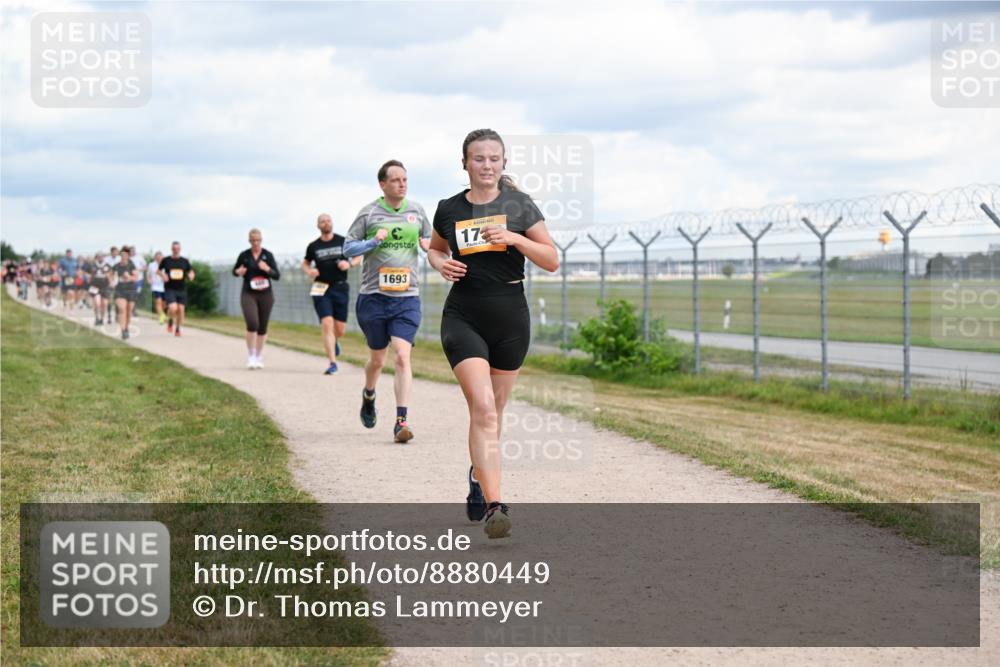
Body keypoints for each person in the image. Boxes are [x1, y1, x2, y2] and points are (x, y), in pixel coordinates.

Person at [427, 129, 558, 539]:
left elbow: (552, 259)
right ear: (464, 163)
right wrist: (439, 264)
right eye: (478, 158)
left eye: (494, 159)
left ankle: (478, 474)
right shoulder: (449, 208)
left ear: (503, 163)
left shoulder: (518, 205)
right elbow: (435, 247)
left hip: (510, 319)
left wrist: (515, 237)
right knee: (483, 409)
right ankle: (495, 507)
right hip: (463, 315)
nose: (486, 166)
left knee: (494, 416)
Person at [343, 160, 432, 443]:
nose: (402, 184)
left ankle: (400, 422)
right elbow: (348, 248)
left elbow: (430, 239)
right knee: (377, 360)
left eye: (405, 179)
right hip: (374, 298)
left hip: (407, 298)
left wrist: (428, 245)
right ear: (383, 184)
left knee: (403, 356)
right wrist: (372, 243)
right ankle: (369, 394)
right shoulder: (369, 212)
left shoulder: (416, 211)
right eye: (395, 180)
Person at [303, 214, 360, 374]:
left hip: (340, 287)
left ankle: (334, 341)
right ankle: (332, 363)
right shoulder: (313, 246)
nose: (325, 223)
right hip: (320, 287)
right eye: (322, 221)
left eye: (328, 220)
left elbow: (358, 258)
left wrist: (348, 264)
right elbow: (305, 263)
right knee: (327, 322)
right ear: (318, 225)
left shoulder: (343, 241)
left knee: (340, 329)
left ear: (332, 223)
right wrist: (310, 271)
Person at [233, 228, 281, 369]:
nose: (255, 243)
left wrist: (267, 269)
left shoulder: (267, 255)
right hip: (249, 293)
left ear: (261, 240)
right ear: (249, 241)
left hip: (265, 294)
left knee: (262, 326)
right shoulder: (244, 255)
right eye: (253, 240)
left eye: (258, 240)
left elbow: (277, 275)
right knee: (252, 323)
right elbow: (235, 271)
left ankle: (259, 356)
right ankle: (251, 355)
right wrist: (238, 271)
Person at [158, 241, 194, 337]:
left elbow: (191, 271)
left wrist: (191, 276)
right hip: (170, 288)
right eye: (174, 249)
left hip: (181, 289)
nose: (176, 250)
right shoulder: (166, 260)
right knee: (173, 308)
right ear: (171, 249)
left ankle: (177, 329)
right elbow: (158, 270)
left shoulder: (184, 261)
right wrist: (163, 275)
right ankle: (170, 320)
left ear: (180, 249)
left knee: (181, 310)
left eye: (177, 249)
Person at [111, 247, 139, 339]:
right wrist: (111, 282)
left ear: (128, 255)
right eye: (122, 254)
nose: (123, 256)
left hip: (131, 290)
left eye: (125, 254)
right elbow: (110, 275)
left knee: (129, 311)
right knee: (122, 309)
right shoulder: (116, 266)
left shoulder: (132, 265)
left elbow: (136, 278)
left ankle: (126, 328)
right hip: (120, 290)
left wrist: (129, 277)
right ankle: (123, 330)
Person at [89, 252, 112, 325]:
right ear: (96, 257)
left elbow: (110, 275)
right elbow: (90, 275)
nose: (100, 258)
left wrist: (110, 281)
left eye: (101, 257)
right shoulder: (93, 265)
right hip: (95, 286)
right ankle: (97, 318)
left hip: (105, 286)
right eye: (99, 257)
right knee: (97, 303)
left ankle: (102, 319)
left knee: (104, 304)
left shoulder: (107, 266)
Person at [148, 251, 166, 324]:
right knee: (158, 302)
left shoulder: (166, 265)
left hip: (165, 287)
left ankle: (162, 313)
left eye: (160, 257)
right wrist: (149, 280)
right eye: (157, 257)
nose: (159, 259)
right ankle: (161, 317)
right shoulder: (151, 265)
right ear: (155, 258)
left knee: (164, 303)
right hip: (155, 286)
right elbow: (148, 274)